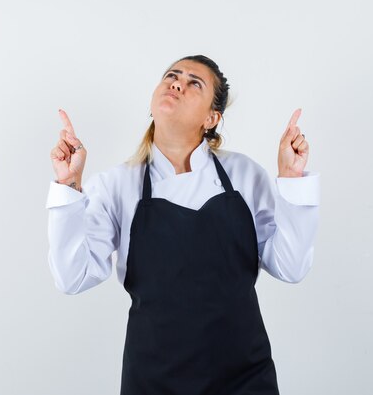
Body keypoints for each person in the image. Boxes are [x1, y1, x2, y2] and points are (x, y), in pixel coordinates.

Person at [46, 54, 320, 394]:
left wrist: (292, 180)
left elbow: (291, 267)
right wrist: (68, 188)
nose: (177, 82)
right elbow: (72, 277)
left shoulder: (244, 175)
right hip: (153, 380)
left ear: (212, 117)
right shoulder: (117, 185)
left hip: (245, 379)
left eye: (194, 83)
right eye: (172, 75)